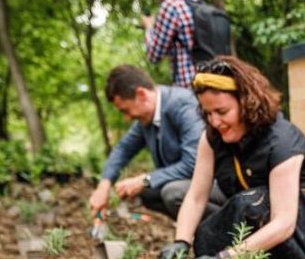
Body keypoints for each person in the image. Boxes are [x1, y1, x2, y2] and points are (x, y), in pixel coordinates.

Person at [159, 56, 305, 259]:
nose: (215, 121)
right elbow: (196, 197)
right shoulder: (212, 137)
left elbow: (283, 223)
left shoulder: (280, 140)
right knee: (206, 238)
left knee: (252, 205)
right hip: (257, 202)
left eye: (222, 111)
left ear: (247, 102)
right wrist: (181, 242)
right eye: (208, 113)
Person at [89, 65, 217, 221]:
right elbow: (123, 149)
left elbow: (194, 163)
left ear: (141, 94)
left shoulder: (182, 106)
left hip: (214, 182)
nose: (127, 118)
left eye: (125, 110)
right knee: (148, 193)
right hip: (189, 184)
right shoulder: (146, 119)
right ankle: (192, 230)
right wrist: (104, 185)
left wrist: (146, 180)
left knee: (172, 193)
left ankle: (220, 233)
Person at [142, 0, 198, 88]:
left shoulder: (170, 5)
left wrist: (149, 28)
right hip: (208, 80)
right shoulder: (195, 1)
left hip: (188, 85)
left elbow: (154, 55)